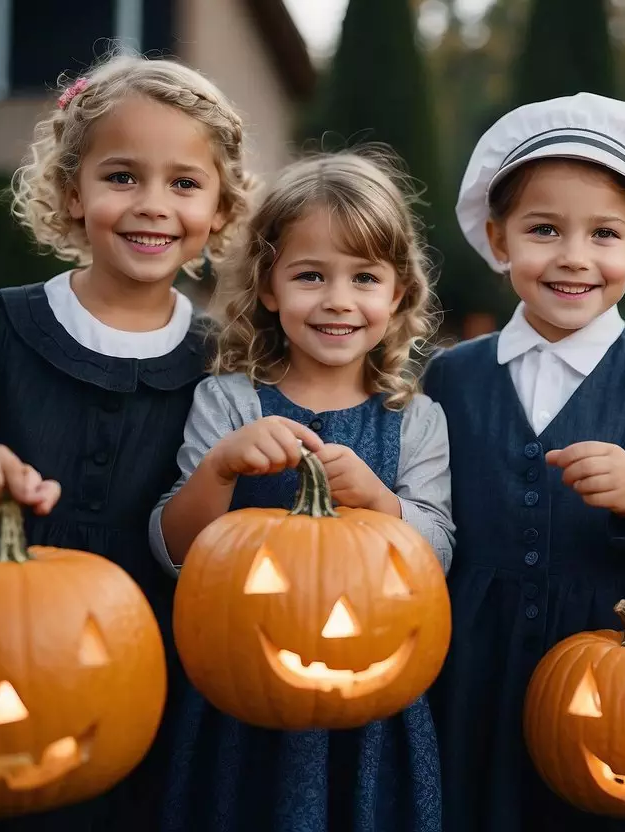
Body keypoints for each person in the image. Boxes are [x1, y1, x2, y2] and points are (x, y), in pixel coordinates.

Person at [0, 52, 253, 832]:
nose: (152, 206)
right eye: (121, 176)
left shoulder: (218, 359)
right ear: (72, 192)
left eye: (183, 183)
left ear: (220, 209)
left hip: (134, 668)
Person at [423, 92, 625, 832]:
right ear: (498, 240)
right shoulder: (454, 374)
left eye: (602, 234)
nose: (573, 257)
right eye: (543, 230)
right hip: (482, 647)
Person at [149, 148, 453, 832]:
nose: (338, 301)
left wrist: (380, 502)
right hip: (242, 694)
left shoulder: (414, 420)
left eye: (364, 278)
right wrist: (219, 470)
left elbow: (437, 554)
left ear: (397, 292)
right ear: (268, 286)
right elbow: (176, 551)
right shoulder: (228, 404)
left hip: (372, 698)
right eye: (310, 275)